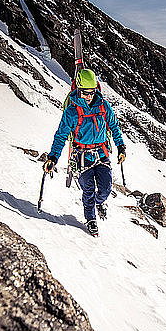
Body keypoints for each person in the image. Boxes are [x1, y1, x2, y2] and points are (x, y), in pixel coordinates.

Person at [43, 69, 126, 237]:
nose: (89, 96)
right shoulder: (72, 112)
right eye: (85, 93)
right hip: (82, 156)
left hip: (101, 153)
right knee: (88, 189)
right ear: (78, 90)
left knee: (106, 187)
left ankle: (99, 202)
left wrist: (121, 147)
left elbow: (114, 126)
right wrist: (53, 157)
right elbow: (61, 136)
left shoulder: (103, 105)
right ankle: (91, 219)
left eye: (92, 92)